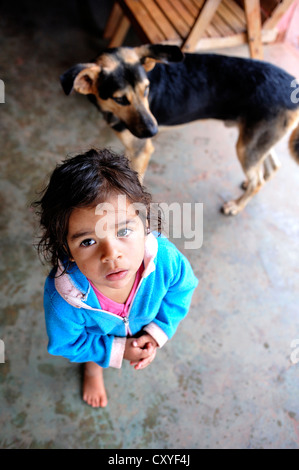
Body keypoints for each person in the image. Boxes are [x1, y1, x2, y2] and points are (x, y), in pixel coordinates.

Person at [33, 148, 198, 408]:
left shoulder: (164, 259)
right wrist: (117, 350)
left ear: (144, 224)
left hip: (144, 323)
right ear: (68, 251)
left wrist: (157, 332)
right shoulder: (65, 297)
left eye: (123, 230)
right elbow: (68, 343)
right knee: (93, 352)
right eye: (88, 241)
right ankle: (92, 370)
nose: (111, 254)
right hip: (97, 336)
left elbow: (181, 290)